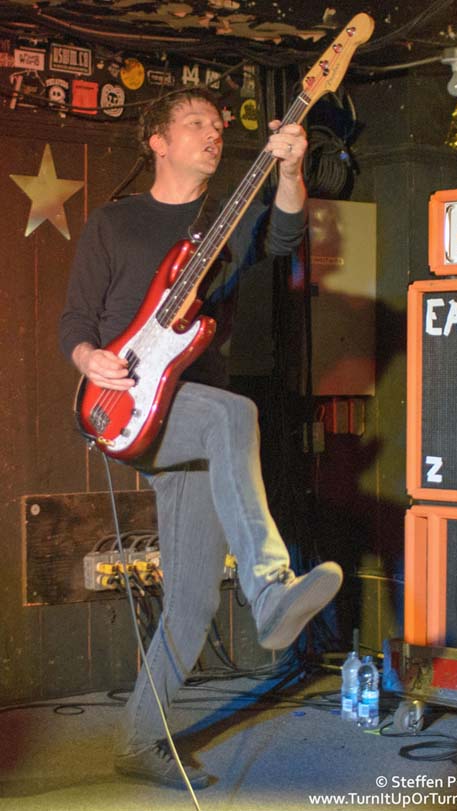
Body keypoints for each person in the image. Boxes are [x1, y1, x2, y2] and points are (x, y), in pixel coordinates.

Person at [59, 86, 343, 790]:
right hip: (126, 407)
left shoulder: (226, 217)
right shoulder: (114, 223)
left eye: (218, 124)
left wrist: (287, 171)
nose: (212, 133)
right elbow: (75, 320)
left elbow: (283, 238)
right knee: (233, 414)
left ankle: (137, 740)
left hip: (191, 409)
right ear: (158, 141)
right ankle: (270, 586)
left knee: (189, 601)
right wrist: (88, 359)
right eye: (195, 123)